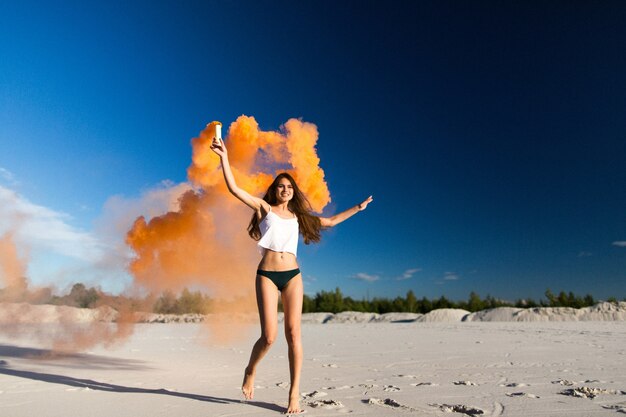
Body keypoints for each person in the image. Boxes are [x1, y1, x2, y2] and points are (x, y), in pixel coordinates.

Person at [210, 134, 372, 414]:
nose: (285, 189)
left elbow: (331, 221)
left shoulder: (300, 218)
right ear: (274, 190)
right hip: (267, 276)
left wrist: (358, 208)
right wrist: (225, 158)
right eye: (280, 186)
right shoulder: (264, 209)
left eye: (289, 187)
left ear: (293, 192)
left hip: (293, 276)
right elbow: (236, 190)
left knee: (294, 335)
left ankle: (294, 394)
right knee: (269, 336)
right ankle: (251, 370)